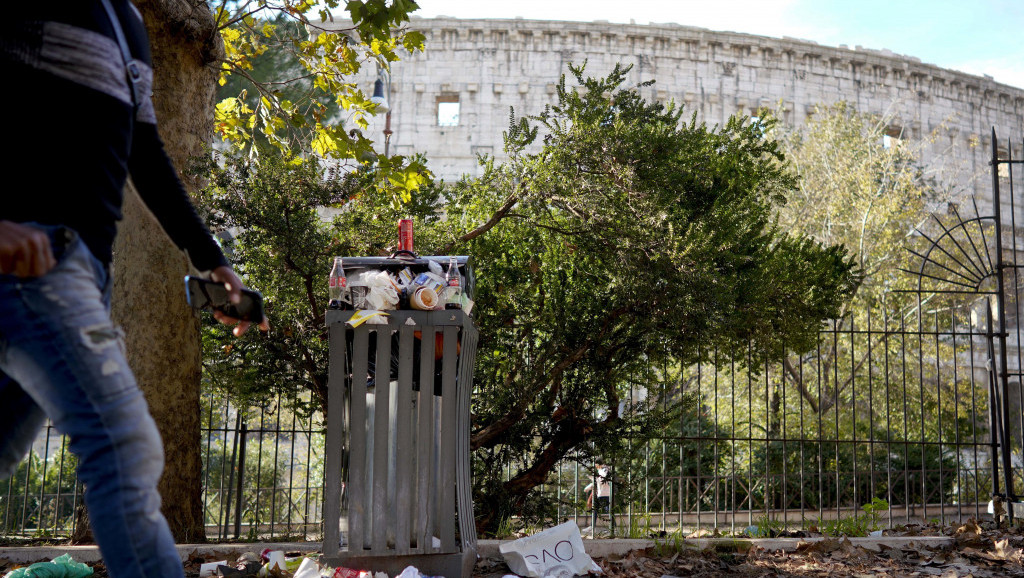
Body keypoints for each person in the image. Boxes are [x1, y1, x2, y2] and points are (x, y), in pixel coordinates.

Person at [0, 2, 266, 577]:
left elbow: (144, 155)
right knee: (125, 450)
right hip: (38, 268)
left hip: (82, 271)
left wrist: (211, 259)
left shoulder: (126, 22)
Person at [584, 464, 611, 531]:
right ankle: (592, 526)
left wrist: (594, 479)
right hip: (601, 494)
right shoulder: (602, 470)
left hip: (605, 494)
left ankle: (613, 527)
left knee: (609, 511)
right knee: (596, 510)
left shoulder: (604, 470)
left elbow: (602, 481)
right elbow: (598, 481)